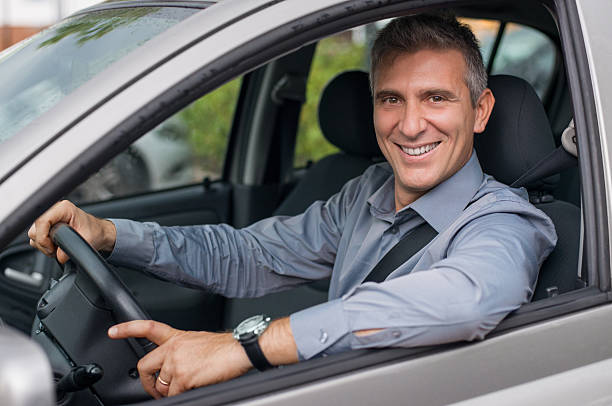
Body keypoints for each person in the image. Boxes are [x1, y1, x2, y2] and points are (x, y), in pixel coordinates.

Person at [29, 13, 557, 399]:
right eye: (391, 99)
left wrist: (243, 346)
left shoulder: (505, 222)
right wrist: (110, 235)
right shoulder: (367, 193)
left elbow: (465, 299)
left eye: (436, 98)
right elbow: (249, 255)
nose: (411, 124)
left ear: (481, 110)